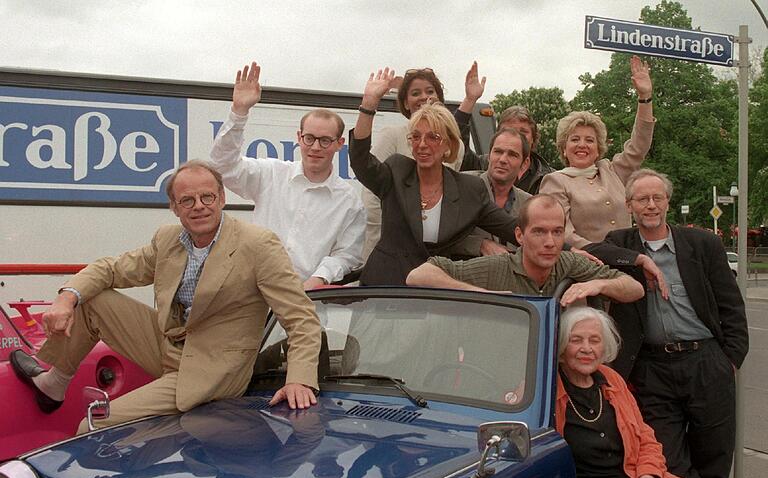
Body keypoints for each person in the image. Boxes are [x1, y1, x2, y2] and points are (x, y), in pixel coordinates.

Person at [10, 160, 321, 434]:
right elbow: (111, 269)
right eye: (187, 200)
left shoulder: (258, 244)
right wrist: (66, 297)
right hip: (167, 345)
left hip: (212, 368)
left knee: (93, 425)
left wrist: (300, 380)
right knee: (91, 298)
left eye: (207, 197)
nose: (199, 206)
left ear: (222, 198)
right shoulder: (168, 239)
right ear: (174, 207)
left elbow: (300, 318)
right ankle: (54, 385)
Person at [585, 169, 749, 478]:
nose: (651, 205)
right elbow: (589, 250)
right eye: (642, 199)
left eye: (657, 197)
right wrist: (640, 260)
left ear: (668, 202)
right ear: (630, 205)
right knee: (668, 460)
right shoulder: (622, 242)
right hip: (652, 369)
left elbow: (731, 307)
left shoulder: (702, 244)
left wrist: (729, 360)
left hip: (705, 362)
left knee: (714, 458)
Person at [556, 307, 729, 478]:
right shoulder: (548, 387)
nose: (586, 348)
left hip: (631, 476)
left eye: (594, 340)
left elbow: (646, 437)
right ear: (562, 347)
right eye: (576, 340)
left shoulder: (611, 380)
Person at [349, 68, 519, 286]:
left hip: (437, 296)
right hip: (385, 292)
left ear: (449, 144)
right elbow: (360, 161)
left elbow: (515, 229)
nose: (422, 144)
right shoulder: (396, 170)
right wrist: (368, 104)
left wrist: (569, 250)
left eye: (433, 137)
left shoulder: (469, 188)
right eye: (416, 137)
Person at [210, 61, 365, 289]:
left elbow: (347, 255)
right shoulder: (271, 173)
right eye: (309, 138)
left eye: (325, 141)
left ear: (339, 144)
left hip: (306, 300)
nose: (315, 147)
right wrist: (239, 112)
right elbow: (222, 166)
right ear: (299, 138)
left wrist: (317, 280)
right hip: (252, 292)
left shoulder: (349, 201)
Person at [406, 194, 644, 306]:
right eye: (539, 232)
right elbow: (417, 276)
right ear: (519, 236)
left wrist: (598, 285)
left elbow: (635, 289)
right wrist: (478, 293)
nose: (550, 242)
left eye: (557, 232)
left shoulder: (568, 262)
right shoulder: (495, 267)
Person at [360, 62, 482, 261]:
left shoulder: (456, 146)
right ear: (406, 103)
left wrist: (470, 100)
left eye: (430, 91)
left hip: (435, 255)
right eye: (415, 93)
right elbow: (371, 191)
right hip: (387, 249)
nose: (424, 97)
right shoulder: (391, 135)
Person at [539, 55, 655, 248]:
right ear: (564, 149)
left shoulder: (612, 171)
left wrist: (645, 97)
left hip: (629, 259)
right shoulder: (555, 182)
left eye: (589, 140)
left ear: (598, 148)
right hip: (588, 264)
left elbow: (639, 145)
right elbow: (563, 233)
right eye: (575, 139)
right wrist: (602, 255)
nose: (582, 145)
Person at [452, 127, 533, 257]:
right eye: (498, 152)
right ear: (489, 156)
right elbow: (439, 236)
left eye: (512, 154)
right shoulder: (461, 184)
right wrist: (480, 244)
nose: (502, 159)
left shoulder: (530, 204)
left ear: (525, 163)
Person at [458, 105, 554, 194]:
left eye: (523, 132)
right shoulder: (480, 165)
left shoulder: (551, 178)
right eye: (509, 130)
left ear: (533, 138)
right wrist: (470, 100)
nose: (516, 136)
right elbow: (458, 147)